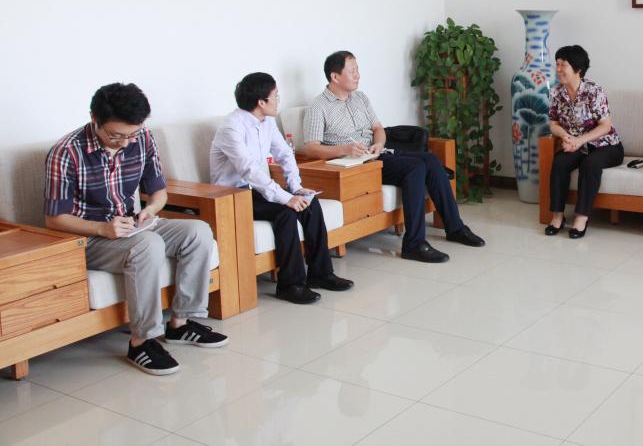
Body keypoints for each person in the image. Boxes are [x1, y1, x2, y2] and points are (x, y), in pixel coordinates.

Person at [44, 83, 228, 376]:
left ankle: (181, 324)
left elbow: (158, 192)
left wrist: (150, 210)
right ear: (94, 118)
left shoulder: (142, 138)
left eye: (131, 135)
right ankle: (141, 341)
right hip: (88, 238)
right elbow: (54, 219)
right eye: (116, 135)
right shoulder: (66, 152)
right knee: (148, 245)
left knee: (198, 232)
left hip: (132, 226)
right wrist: (102, 228)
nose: (125, 143)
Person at [300, 51, 485, 263]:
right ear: (335, 76)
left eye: (357, 69)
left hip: (377, 155)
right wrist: (344, 149)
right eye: (352, 71)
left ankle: (455, 228)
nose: (358, 75)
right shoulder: (318, 107)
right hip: (353, 166)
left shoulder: (360, 98)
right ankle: (414, 244)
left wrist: (379, 144)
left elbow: (378, 128)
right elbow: (311, 148)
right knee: (415, 167)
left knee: (431, 160)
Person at [210, 72, 353, 305]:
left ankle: (320, 273)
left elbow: (285, 154)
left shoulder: (266, 122)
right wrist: (285, 198)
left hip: (257, 190)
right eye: (275, 96)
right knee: (286, 212)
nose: (278, 100)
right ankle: (290, 285)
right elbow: (249, 170)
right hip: (233, 196)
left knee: (309, 203)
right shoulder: (232, 127)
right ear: (261, 102)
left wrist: (296, 188)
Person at [545, 45, 624, 239]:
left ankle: (581, 218)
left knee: (590, 164)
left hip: (607, 145)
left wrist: (579, 141)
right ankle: (557, 216)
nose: (558, 69)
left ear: (578, 69)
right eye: (557, 64)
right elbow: (553, 124)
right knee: (560, 162)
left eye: (563, 65)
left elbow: (605, 126)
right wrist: (565, 136)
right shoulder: (556, 92)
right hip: (575, 143)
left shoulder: (594, 91)